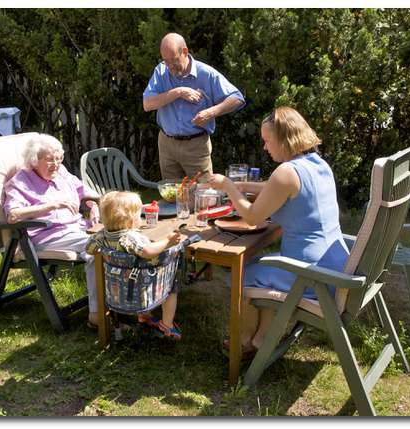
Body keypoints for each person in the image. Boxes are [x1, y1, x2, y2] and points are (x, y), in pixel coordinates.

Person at [208, 106, 350, 359]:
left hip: (310, 276)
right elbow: (273, 187)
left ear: (284, 139)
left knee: (243, 273)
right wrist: (242, 185)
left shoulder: (286, 173)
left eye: (267, 141)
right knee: (261, 268)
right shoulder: (318, 163)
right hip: (335, 268)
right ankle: (263, 337)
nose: (265, 147)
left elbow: (252, 217)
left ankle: (245, 341)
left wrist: (229, 186)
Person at [2, 133, 102, 328]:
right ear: (34, 160)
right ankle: (97, 315)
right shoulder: (19, 182)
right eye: (49, 160)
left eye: (59, 158)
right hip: (48, 235)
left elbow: (85, 192)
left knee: (119, 239)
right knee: (97, 248)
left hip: (78, 228)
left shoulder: (61, 172)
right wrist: (52, 205)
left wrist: (93, 205)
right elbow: (13, 215)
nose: (56, 164)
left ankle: (118, 306)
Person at [143, 32, 245, 180]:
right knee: (171, 196)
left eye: (173, 60)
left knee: (203, 195)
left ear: (184, 52)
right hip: (167, 144)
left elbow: (237, 98)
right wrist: (178, 92)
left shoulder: (207, 74)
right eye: (165, 61)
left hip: (196, 145)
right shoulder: (161, 71)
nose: (170, 66)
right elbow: (148, 104)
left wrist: (212, 112)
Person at [85, 191, 184, 340]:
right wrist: (168, 241)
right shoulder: (131, 238)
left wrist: (108, 253)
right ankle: (167, 324)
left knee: (135, 273)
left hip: (118, 290)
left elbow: (89, 249)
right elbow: (147, 251)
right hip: (145, 288)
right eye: (139, 215)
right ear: (131, 221)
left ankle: (144, 316)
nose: (140, 218)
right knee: (171, 287)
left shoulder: (101, 236)